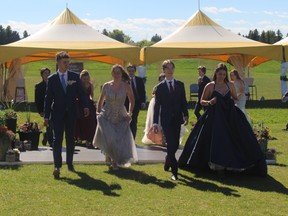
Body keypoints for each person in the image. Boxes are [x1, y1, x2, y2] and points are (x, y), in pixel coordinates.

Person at [178, 63, 267, 177]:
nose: (222, 76)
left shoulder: (230, 85)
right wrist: (210, 102)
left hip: (229, 115)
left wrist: (234, 98)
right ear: (216, 73)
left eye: (224, 74)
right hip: (214, 116)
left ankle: (232, 164)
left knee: (235, 137)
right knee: (216, 139)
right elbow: (202, 101)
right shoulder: (210, 86)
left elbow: (235, 98)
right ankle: (216, 165)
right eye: (220, 74)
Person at [44, 51, 90, 179]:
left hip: (71, 113)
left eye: (68, 62)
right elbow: (48, 99)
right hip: (57, 114)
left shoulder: (74, 77)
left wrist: (86, 106)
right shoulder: (52, 79)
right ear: (58, 62)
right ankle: (57, 166)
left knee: (70, 139)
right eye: (64, 62)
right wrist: (46, 116)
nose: (67, 64)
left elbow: (81, 93)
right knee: (57, 139)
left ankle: (70, 162)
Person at [93, 64, 137, 170]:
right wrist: (97, 112)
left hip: (121, 115)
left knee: (118, 139)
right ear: (111, 73)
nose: (116, 75)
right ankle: (113, 161)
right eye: (114, 72)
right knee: (110, 137)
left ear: (122, 74)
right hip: (107, 115)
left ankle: (112, 158)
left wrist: (130, 113)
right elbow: (101, 100)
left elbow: (132, 100)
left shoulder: (126, 86)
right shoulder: (106, 85)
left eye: (118, 73)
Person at [152, 60, 189, 181]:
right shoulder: (160, 87)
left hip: (177, 119)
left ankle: (168, 160)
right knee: (170, 143)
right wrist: (155, 123)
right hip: (166, 120)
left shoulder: (180, 84)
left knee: (175, 144)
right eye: (167, 68)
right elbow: (157, 106)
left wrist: (186, 115)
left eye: (171, 67)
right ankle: (175, 171)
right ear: (164, 70)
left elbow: (183, 101)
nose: (169, 70)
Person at [74, 70, 97, 148]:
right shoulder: (79, 85)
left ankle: (89, 139)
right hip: (80, 104)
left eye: (87, 78)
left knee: (92, 121)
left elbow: (91, 95)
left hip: (88, 103)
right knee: (80, 121)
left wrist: (92, 102)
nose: (86, 80)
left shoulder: (90, 85)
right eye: (84, 79)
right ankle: (79, 138)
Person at [142, 73, 166, 145]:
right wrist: (155, 95)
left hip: (164, 104)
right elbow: (152, 94)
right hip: (156, 103)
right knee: (157, 121)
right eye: (161, 79)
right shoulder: (156, 87)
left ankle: (163, 138)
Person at [125, 65, 146, 140]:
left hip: (136, 103)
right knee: (126, 121)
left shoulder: (139, 80)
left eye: (132, 71)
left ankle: (132, 139)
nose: (131, 73)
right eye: (129, 71)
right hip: (126, 104)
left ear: (135, 71)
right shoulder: (124, 81)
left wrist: (143, 102)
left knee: (134, 121)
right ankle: (126, 138)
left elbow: (142, 92)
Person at [35, 67, 53, 147]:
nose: (47, 75)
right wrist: (40, 111)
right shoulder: (39, 86)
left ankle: (46, 135)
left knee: (53, 125)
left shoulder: (53, 84)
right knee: (49, 124)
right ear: (42, 75)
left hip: (54, 108)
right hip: (45, 109)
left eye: (48, 73)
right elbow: (37, 100)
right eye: (45, 73)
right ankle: (51, 142)